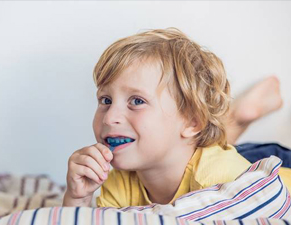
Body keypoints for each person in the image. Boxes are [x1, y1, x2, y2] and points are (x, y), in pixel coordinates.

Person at [62, 28, 291, 208]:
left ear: (193, 122)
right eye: (105, 100)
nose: (110, 117)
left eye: (137, 101)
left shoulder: (227, 181)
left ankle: (238, 115)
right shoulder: (118, 181)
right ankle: (238, 116)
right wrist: (78, 198)